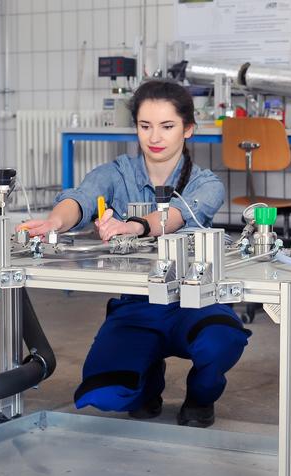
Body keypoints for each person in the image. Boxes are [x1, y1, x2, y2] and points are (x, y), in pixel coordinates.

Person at [18, 80, 250, 428]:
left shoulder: (206, 183)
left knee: (222, 341)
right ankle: (147, 377)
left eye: (167, 126)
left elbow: (177, 215)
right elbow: (81, 198)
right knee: (106, 395)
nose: (155, 137)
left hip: (196, 301)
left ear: (187, 129)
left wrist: (136, 225)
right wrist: (55, 221)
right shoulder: (117, 173)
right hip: (139, 305)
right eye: (145, 126)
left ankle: (202, 394)